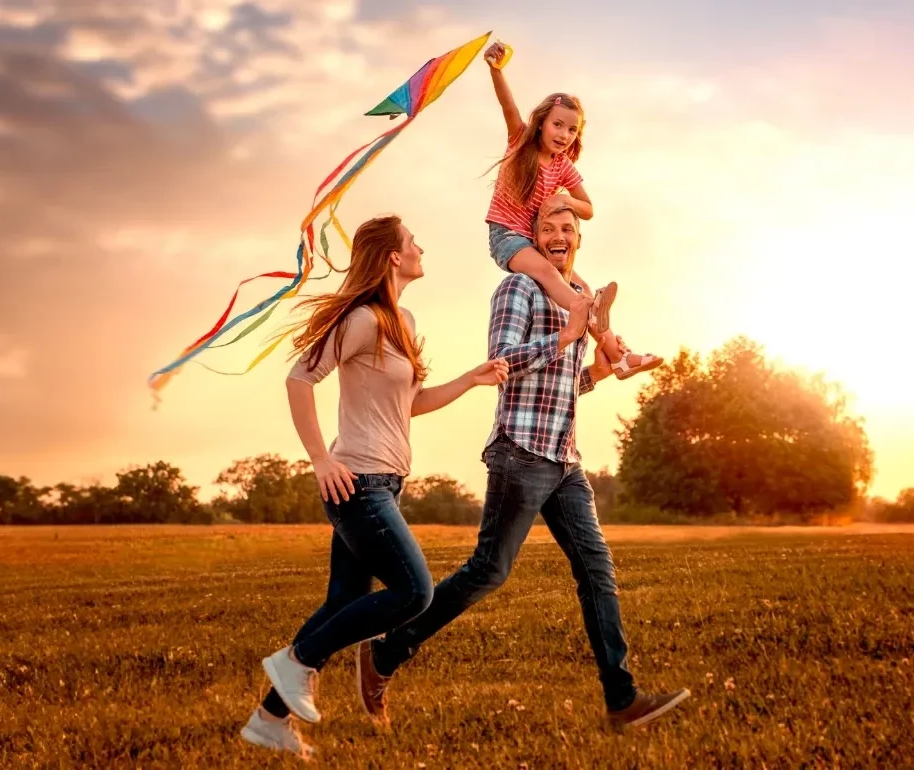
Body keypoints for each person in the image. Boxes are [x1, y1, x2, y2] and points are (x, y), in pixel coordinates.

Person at [356, 203, 691, 729]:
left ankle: (621, 701)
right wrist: (567, 334)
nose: (559, 236)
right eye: (547, 229)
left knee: (597, 571)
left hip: (565, 457)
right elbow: (503, 362)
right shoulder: (518, 290)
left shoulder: (573, 299)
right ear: (532, 241)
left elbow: (562, 387)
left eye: (568, 229)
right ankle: (385, 654)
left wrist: (599, 372)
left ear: (577, 241)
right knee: (488, 571)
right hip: (521, 452)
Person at [239, 215, 510, 758]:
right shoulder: (361, 318)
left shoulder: (400, 319)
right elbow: (300, 377)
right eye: (413, 241)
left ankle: (268, 721)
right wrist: (319, 458)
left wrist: (470, 379)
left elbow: (409, 404)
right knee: (415, 592)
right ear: (392, 255)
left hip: (384, 481)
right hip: (356, 481)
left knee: (345, 598)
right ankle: (296, 661)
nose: (421, 247)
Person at [481, 39, 662, 382]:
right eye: (557, 125)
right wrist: (496, 70)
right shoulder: (520, 142)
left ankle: (620, 358)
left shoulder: (563, 166)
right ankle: (585, 310)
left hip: (533, 242)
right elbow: (508, 106)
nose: (564, 134)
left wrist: (565, 200)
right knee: (554, 279)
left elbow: (588, 208)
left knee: (583, 288)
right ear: (541, 123)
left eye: (571, 129)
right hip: (506, 237)